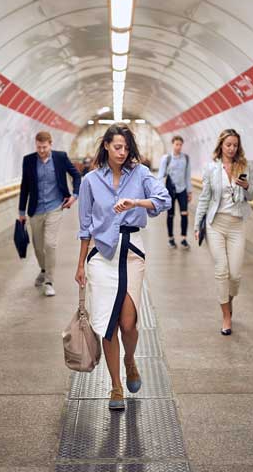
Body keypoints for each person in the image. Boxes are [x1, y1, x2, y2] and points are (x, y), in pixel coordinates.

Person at [75, 123, 170, 410]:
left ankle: (130, 360)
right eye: (117, 147)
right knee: (108, 323)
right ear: (106, 145)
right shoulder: (90, 180)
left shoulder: (140, 173)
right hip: (102, 256)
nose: (122, 152)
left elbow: (162, 200)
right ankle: (116, 387)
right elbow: (85, 227)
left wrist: (135, 203)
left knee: (128, 323)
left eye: (127, 148)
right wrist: (80, 264)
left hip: (131, 252)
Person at [194, 129, 253, 336]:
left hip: (237, 224)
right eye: (228, 144)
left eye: (235, 145)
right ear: (221, 145)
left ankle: (228, 301)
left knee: (235, 275)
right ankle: (226, 316)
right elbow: (204, 197)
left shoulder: (246, 166)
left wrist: (247, 186)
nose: (232, 148)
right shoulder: (211, 169)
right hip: (216, 225)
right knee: (221, 270)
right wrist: (197, 224)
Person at [19, 131, 82, 296]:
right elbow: (24, 186)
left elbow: (76, 175)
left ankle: (49, 281)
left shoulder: (60, 157)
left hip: (55, 207)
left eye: (44, 147)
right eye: (38, 147)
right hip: (35, 210)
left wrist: (75, 195)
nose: (41, 150)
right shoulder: (29, 160)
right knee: (38, 247)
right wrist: (21, 211)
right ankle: (44, 268)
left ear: (50, 144)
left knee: (50, 244)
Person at [157, 135, 192, 250]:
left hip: (182, 190)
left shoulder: (186, 158)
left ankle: (183, 238)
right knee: (170, 215)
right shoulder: (166, 159)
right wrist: (161, 192)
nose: (178, 147)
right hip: (170, 191)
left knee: (184, 214)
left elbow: (187, 176)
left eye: (180, 145)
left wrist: (189, 191)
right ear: (172, 144)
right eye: (176, 144)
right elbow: (160, 176)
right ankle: (171, 238)